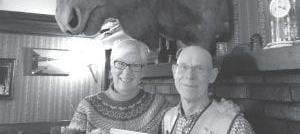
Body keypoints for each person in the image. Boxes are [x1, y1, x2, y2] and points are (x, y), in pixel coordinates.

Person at [62, 40, 240, 134]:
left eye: (135, 65)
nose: (127, 72)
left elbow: (191, 113)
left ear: (142, 71)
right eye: (120, 64)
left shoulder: (159, 106)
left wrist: (224, 109)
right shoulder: (87, 106)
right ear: (111, 67)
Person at [162, 46, 254, 134]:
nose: (190, 76)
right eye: (183, 67)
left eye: (199, 68)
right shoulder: (167, 119)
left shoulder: (235, 125)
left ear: (212, 76)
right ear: (174, 72)